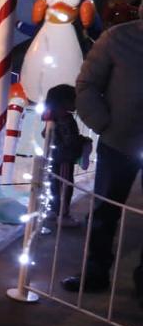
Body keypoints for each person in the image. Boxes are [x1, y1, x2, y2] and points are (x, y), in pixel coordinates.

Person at [62, 19, 143, 307]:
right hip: (119, 141)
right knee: (105, 211)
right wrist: (103, 124)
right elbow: (87, 84)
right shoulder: (119, 37)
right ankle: (95, 272)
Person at [41, 84, 90, 229]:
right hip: (64, 159)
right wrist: (84, 141)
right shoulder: (66, 119)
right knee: (64, 187)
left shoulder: (51, 117)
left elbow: (45, 134)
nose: (76, 104)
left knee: (54, 186)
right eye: (73, 100)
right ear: (64, 102)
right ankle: (63, 215)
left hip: (53, 157)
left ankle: (52, 210)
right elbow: (70, 140)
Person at [11, 0, 41, 74]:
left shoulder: (13, 1)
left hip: (11, 42)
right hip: (29, 44)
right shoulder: (37, 5)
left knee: (13, 71)